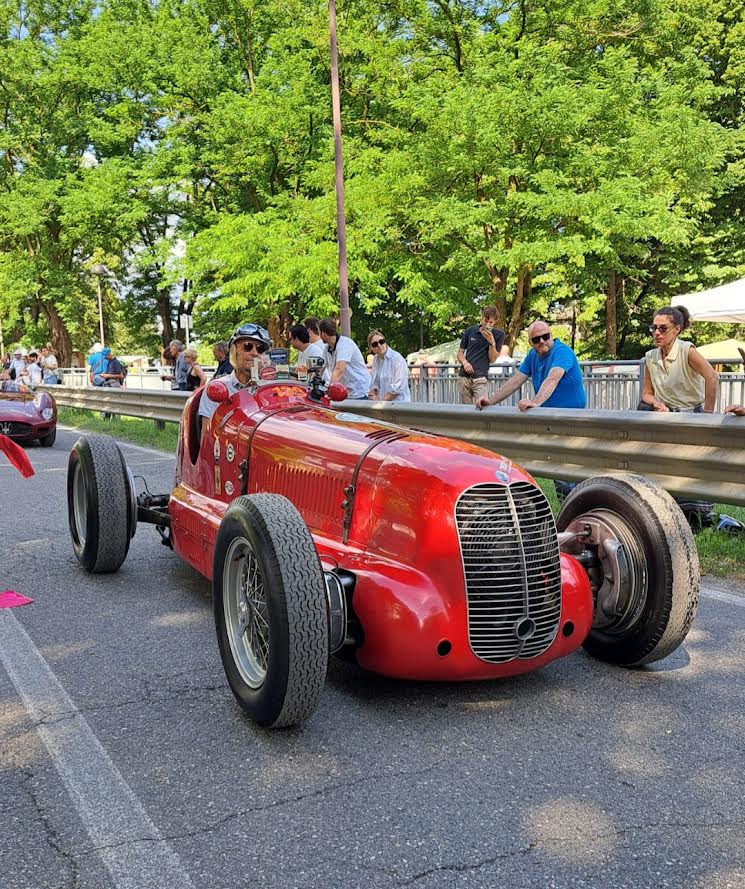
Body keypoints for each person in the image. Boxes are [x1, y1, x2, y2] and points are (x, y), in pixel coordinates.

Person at [476, 321, 586, 411]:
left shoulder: (562, 351)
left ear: (551, 336)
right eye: (536, 339)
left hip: (572, 415)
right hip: (549, 414)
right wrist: (490, 401)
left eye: (545, 336)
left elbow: (552, 379)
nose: (542, 341)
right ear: (530, 342)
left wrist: (535, 402)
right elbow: (515, 381)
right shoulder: (532, 354)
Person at [640, 305, 718, 413]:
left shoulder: (686, 351)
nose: (657, 333)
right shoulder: (650, 356)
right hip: (664, 417)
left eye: (663, 328)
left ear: (677, 329)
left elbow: (712, 377)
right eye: (654, 328)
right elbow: (647, 394)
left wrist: (708, 415)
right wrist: (655, 403)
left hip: (690, 417)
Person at [198, 323, 273, 422]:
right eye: (248, 346)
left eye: (260, 349)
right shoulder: (217, 388)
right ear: (234, 352)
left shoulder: (272, 389)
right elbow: (206, 436)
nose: (255, 353)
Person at [456, 306, 509, 404]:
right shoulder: (470, 331)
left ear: (495, 322)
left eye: (491, 322)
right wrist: (465, 362)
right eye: (486, 320)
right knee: (465, 411)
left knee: (482, 407)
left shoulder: (499, 334)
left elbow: (493, 359)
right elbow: (460, 353)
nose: (488, 324)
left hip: (480, 378)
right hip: (464, 377)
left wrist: (492, 343)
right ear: (482, 318)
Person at [318, 318, 370, 399]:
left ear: (323, 333)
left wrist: (329, 393)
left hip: (360, 392)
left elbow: (339, 369)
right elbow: (320, 368)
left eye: (319, 332)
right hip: (347, 393)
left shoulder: (345, 344)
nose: (319, 336)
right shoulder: (327, 348)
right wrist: (311, 384)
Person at [367, 330, 411, 402]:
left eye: (381, 341)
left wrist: (381, 402)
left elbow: (398, 387)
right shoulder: (376, 359)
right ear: (371, 348)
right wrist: (373, 391)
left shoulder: (397, 358)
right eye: (375, 344)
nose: (379, 345)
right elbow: (376, 381)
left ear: (385, 342)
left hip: (399, 404)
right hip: (383, 405)